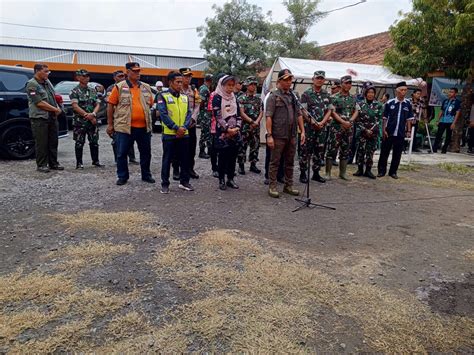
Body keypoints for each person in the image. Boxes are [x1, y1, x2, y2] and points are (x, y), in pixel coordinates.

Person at [106, 62, 155, 186]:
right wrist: (110, 124)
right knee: (122, 153)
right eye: (135, 71)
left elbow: (150, 103)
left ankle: (146, 175)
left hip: (144, 127)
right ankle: (122, 176)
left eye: (139, 71)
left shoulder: (146, 87)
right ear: (127, 72)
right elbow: (110, 105)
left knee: (146, 153)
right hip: (124, 126)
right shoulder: (119, 87)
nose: (138, 73)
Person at [265, 69, 305, 198]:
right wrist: (269, 135)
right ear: (279, 81)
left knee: (290, 161)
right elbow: (269, 117)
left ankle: (288, 185)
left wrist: (302, 131)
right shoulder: (273, 96)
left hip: (292, 135)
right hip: (278, 135)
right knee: (275, 162)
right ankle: (272, 186)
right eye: (286, 80)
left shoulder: (294, 96)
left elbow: (299, 114)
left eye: (290, 80)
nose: (289, 82)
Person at [157, 71, 194, 193]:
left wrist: (183, 127)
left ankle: (184, 182)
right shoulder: (163, 96)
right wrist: (175, 127)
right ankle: (165, 184)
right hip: (170, 134)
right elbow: (163, 114)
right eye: (177, 82)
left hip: (184, 133)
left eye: (181, 81)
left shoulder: (185, 97)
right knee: (167, 159)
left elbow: (189, 114)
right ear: (170, 82)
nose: (180, 84)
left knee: (185, 159)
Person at [26, 63, 64, 172]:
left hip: (51, 116)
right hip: (40, 117)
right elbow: (39, 102)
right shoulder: (32, 84)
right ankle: (42, 164)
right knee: (41, 142)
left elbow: (53, 96)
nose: (48, 73)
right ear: (38, 71)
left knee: (53, 141)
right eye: (45, 71)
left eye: (48, 71)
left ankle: (53, 163)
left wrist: (58, 108)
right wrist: (55, 109)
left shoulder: (47, 82)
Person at [299, 70, 333, 184]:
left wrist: (322, 122)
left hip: (322, 128)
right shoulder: (306, 94)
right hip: (309, 127)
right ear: (313, 79)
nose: (319, 80)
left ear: (324, 80)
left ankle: (316, 173)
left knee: (319, 151)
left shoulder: (327, 94)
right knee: (305, 151)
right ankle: (303, 173)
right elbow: (303, 110)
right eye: (317, 78)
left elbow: (330, 110)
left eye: (321, 78)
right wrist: (313, 123)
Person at [377, 81, 414, 179]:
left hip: (401, 132)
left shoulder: (408, 104)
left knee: (397, 154)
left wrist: (409, 131)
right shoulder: (390, 103)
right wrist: (384, 129)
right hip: (389, 131)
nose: (404, 92)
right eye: (402, 90)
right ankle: (381, 171)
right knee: (384, 152)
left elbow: (409, 119)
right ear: (397, 91)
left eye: (405, 90)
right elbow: (384, 118)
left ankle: (393, 172)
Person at [212, 75, 242, 190]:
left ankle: (230, 179)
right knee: (223, 157)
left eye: (232, 85)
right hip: (223, 133)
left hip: (234, 133)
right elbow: (217, 116)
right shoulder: (217, 97)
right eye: (228, 85)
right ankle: (221, 180)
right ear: (222, 85)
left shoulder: (234, 97)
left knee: (232, 157)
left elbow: (238, 114)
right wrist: (227, 129)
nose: (230, 88)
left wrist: (237, 128)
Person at [326, 75, 359, 180]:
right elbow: (332, 112)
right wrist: (342, 122)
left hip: (348, 128)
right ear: (341, 84)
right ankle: (328, 173)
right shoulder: (334, 97)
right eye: (346, 83)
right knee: (332, 150)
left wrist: (350, 121)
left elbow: (356, 111)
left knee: (345, 150)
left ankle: (342, 173)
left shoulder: (353, 98)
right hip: (336, 127)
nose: (348, 85)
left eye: (350, 83)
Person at [70, 69, 103, 169]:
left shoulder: (92, 90)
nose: (86, 78)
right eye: (84, 76)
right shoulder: (74, 91)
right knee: (79, 142)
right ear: (78, 77)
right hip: (80, 122)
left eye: (88, 76)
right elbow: (75, 106)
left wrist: (93, 114)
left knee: (94, 142)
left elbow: (97, 104)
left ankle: (95, 161)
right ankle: (79, 163)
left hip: (92, 121)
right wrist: (87, 115)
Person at [173, 68, 200, 179]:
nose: (187, 78)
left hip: (191, 125)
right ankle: (176, 170)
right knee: (177, 148)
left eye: (189, 76)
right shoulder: (175, 90)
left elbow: (197, 105)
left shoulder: (193, 90)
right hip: (179, 125)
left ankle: (190, 168)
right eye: (185, 76)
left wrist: (193, 119)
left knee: (191, 148)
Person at [106, 70, 138, 164]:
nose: (122, 78)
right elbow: (110, 103)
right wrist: (110, 123)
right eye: (119, 76)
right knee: (117, 140)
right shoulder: (112, 88)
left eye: (123, 76)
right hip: (117, 117)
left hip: (128, 117)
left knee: (130, 138)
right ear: (114, 78)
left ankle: (132, 158)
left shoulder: (129, 86)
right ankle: (118, 159)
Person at [353, 84, 383, 179]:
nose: (370, 94)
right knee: (361, 151)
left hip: (373, 133)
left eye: (372, 92)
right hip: (362, 132)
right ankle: (360, 169)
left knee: (370, 152)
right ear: (365, 93)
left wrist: (372, 130)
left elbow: (379, 120)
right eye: (369, 92)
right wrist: (365, 130)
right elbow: (357, 120)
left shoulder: (379, 105)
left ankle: (368, 170)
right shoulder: (360, 104)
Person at [237, 76, 263, 175]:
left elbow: (261, 112)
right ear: (247, 85)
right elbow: (241, 113)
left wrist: (256, 122)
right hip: (245, 127)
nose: (253, 86)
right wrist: (251, 122)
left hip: (256, 127)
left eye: (255, 84)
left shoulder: (258, 99)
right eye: (251, 84)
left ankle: (253, 165)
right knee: (242, 146)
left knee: (255, 146)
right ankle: (241, 165)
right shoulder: (241, 98)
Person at [433, 87, 461, 154]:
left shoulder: (457, 102)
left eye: (452, 92)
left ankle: (444, 149)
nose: (450, 93)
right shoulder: (445, 101)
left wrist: (454, 123)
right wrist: (438, 120)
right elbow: (441, 111)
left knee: (448, 136)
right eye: (449, 92)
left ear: (455, 93)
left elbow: (457, 113)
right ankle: (434, 149)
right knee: (438, 135)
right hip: (442, 121)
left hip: (450, 121)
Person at [198, 74, 213, 159]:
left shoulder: (204, 88)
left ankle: (207, 151)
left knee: (207, 133)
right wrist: (202, 113)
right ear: (210, 80)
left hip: (206, 114)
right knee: (205, 133)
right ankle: (202, 151)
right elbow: (201, 102)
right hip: (205, 115)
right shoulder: (204, 89)